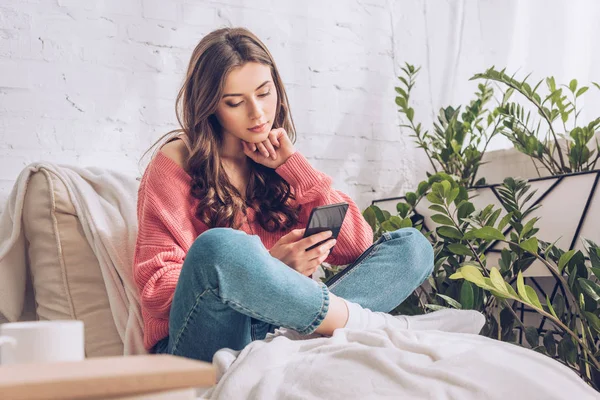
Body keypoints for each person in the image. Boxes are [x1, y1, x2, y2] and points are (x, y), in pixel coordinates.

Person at [133, 27, 434, 363]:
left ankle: (297, 337)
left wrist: (294, 166)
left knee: (413, 247)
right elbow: (156, 288)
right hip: (205, 338)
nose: (258, 113)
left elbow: (356, 246)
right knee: (218, 246)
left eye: (264, 93)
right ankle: (336, 324)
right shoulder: (177, 162)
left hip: (279, 328)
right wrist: (267, 269)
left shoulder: (277, 161)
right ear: (210, 107)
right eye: (235, 102)